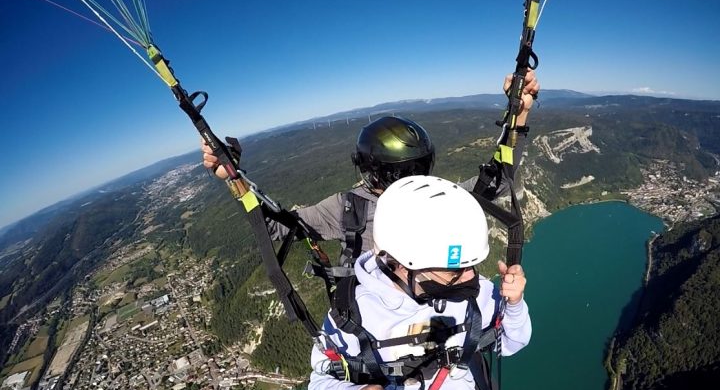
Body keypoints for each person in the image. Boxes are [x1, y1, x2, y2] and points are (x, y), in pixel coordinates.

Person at [308, 175, 539, 390]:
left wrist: (514, 304)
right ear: (399, 265)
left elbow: (510, 342)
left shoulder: (471, 291)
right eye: (452, 272)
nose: (469, 279)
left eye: (469, 267)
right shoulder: (353, 315)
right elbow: (319, 383)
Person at [201, 71, 540, 275]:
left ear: (370, 169)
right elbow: (500, 180)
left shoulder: (350, 207)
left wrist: (233, 178)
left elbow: (276, 227)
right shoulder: (439, 197)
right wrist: (519, 117)